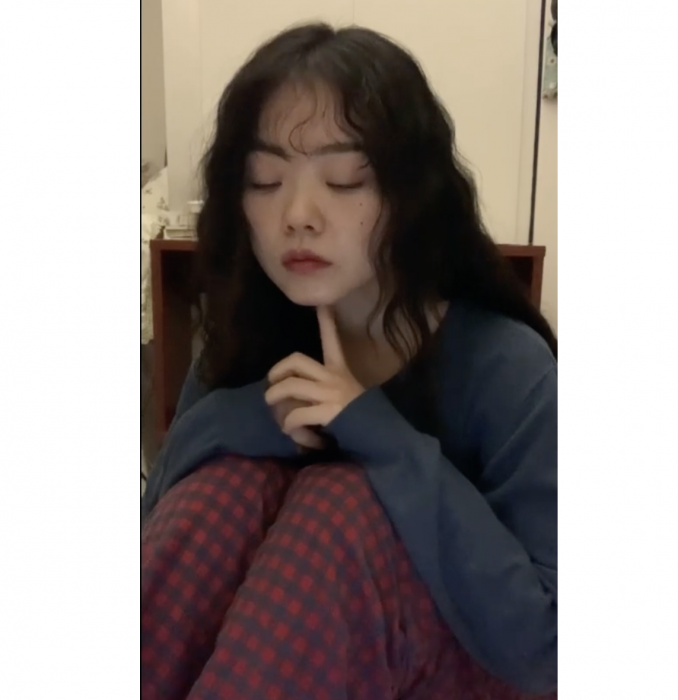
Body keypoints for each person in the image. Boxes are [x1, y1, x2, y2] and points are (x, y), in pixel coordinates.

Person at [141, 22, 557, 700]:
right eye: (265, 180)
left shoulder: (507, 366)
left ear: (412, 193)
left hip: (465, 673)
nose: (298, 215)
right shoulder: (247, 336)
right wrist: (245, 417)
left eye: (344, 180)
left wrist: (380, 436)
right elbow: (156, 518)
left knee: (343, 504)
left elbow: (549, 647)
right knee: (224, 489)